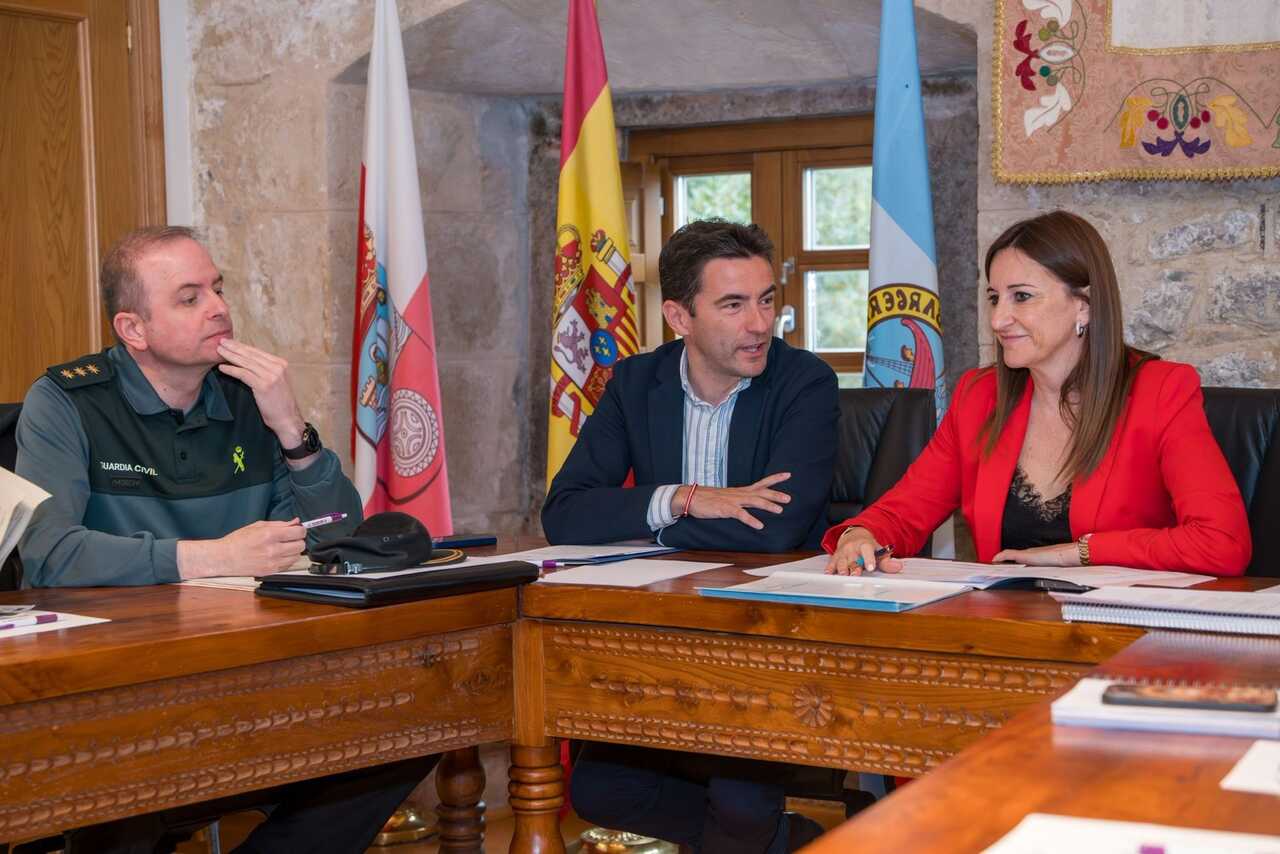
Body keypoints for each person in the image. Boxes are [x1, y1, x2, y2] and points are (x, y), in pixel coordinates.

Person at [15, 225, 434, 853]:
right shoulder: (67, 401)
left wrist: (291, 429)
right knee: (124, 775)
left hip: (243, 673)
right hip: (121, 686)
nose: (218, 307)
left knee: (407, 729)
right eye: (190, 298)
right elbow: (49, 556)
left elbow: (340, 540)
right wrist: (213, 557)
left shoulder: (247, 397)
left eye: (218, 288)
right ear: (133, 329)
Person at [544, 219, 839, 853]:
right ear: (679, 316)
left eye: (766, 300)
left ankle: (767, 838)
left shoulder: (805, 383)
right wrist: (684, 498)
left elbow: (778, 529)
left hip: (764, 642)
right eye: (733, 305)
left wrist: (647, 520)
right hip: (661, 642)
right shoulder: (635, 383)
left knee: (739, 803)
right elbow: (564, 513)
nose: (759, 324)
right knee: (598, 791)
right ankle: (792, 843)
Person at [825, 210, 1251, 577]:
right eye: (995, 298)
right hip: (1008, 628)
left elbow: (1222, 542)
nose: (998, 319)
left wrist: (1080, 553)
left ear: (1084, 305)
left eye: (1022, 297)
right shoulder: (979, 397)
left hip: (1126, 632)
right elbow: (903, 511)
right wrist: (860, 535)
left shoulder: (1161, 391)